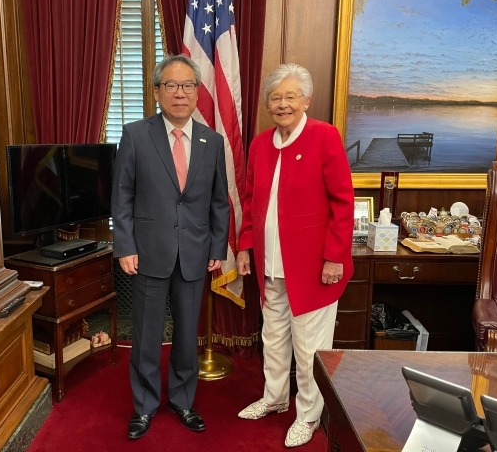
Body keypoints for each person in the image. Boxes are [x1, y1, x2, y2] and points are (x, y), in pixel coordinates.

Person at [111, 54, 230, 440]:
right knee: (145, 335)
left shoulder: (212, 141)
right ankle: (143, 407)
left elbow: (218, 201)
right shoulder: (135, 135)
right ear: (158, 91)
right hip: (147, 253)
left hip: (195, 253)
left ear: (198, 92)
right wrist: (125, 245)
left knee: (185, 337)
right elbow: (122, 196)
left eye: (188, 86)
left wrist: (218, 246)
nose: (180, 93)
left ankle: (182, 401)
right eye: (172, 86)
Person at [236, 64, 354, 448]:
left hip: (315, 270)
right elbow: (251, 201)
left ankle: (308, 414)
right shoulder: (260, 144)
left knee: (308, 349)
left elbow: (343, 201)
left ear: (306, 100)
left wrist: (335, 256)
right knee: (272, 339)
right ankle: (273, 399)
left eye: (290, 96)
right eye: (275, 97)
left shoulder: (324, 136)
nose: (283, 104)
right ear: (268, 104)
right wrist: (245, 247)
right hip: (271, 267)